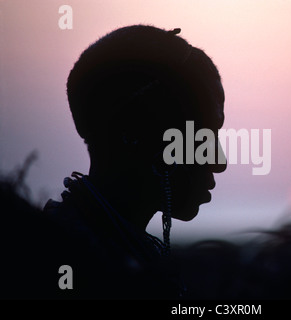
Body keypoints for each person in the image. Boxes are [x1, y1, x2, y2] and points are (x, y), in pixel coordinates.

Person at [43, 25, 226, 298]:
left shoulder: (109, 254)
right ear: (137, 133)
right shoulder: (69, 266)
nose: (219, 160)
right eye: (201, 136)